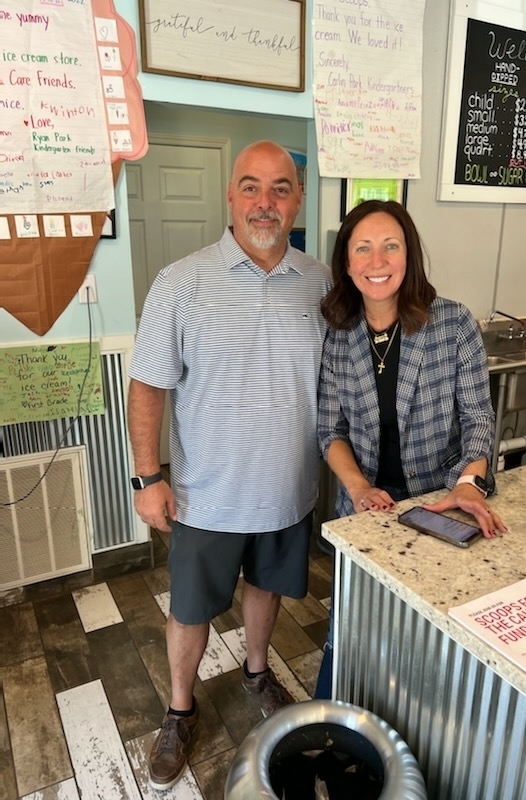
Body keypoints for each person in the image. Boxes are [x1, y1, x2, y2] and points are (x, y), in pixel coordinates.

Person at [127, 140, 331, 791]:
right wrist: (148, 476)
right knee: (189, 608)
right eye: (251, 186)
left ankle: (254, 669)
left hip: (288, 490)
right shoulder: (181, 281)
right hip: (204, 495)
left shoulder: (323, 282)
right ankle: (180, 711)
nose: (264, 202)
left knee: (266, 589)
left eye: (279, 188)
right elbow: (148, 385)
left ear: (297, 199)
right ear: (230, 196)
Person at [314, 199, 506, 699]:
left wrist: (468, 482)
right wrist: (357, 487)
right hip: (366, 513)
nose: (377, 262)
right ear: (347, 262)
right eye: (363, 249)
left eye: (390, 246)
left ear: (409, 254)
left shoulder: (451, 323)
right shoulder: (339, 333)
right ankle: (341, 725)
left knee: (424, 645)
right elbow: (329, 429)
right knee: (352, 633)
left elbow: (478, 416)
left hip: (437, 504)